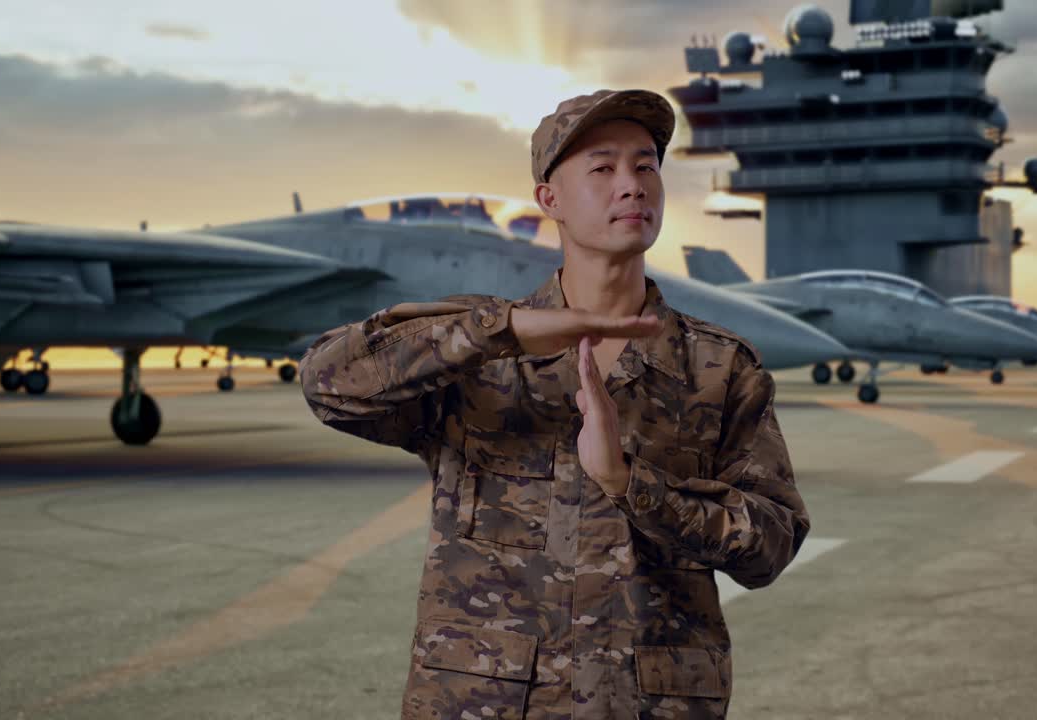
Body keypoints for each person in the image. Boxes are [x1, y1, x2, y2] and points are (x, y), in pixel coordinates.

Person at [299, 88, 811, 720]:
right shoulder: (478, 358)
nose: (632, 185)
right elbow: (328, 384)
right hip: (485, 700)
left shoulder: (718, 367)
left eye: (646, 164)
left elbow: (773, 546)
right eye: (603, 167)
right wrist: (502, 331)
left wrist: (629, 483)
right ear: (550, 199)